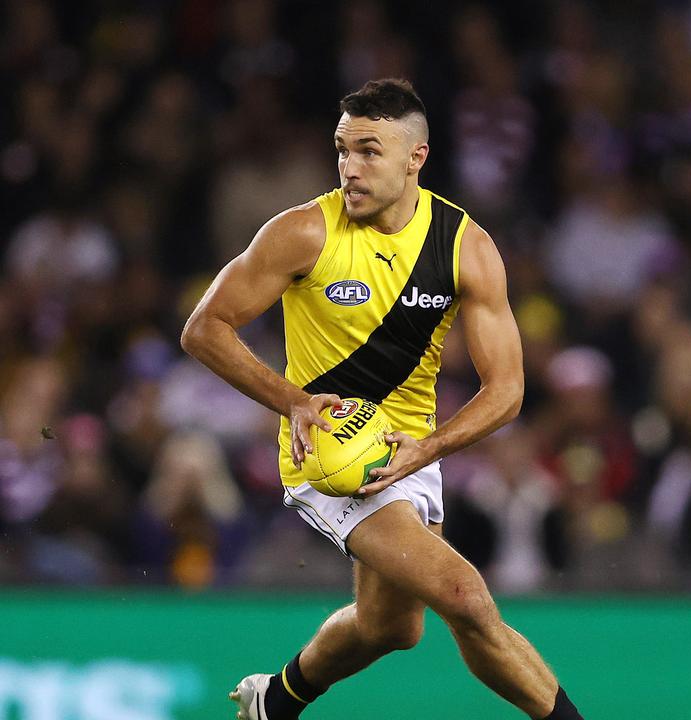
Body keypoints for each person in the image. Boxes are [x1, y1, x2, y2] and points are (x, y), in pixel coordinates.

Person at [181, 78, 582, 720]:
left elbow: (507, 392)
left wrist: (430, 447)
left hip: (410, 451)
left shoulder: (465, 247)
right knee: (465, 596)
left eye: (369, 151)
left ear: (416, 157)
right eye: (342, 150)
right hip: (333, 453)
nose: (350, 168)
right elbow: (204, 328)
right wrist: (293, 401)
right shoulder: (302, 233)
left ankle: (274, 701)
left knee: (391, 627)